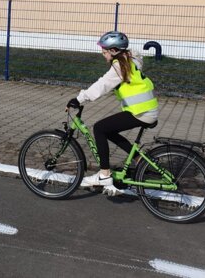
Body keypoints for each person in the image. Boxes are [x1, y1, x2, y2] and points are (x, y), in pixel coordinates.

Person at [66, 31, 159, 195]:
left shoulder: (120, 67)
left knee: (100, 128)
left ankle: (104, 174)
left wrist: (79, 99)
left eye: (105, 51)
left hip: (142, 112)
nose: (103, 54)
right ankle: (139, 159)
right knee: (110, 130)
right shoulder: (130, 59)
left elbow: (103, 85)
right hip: (146, 110)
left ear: (114, 50)